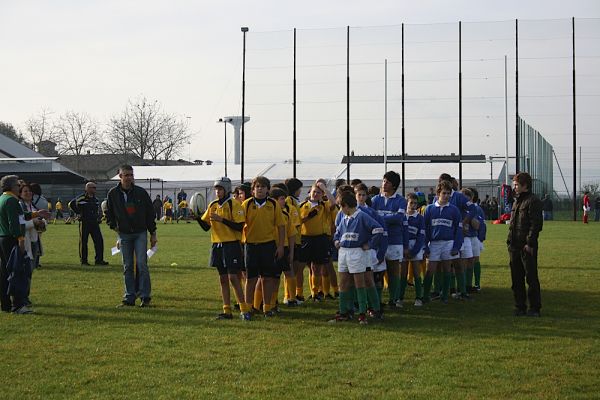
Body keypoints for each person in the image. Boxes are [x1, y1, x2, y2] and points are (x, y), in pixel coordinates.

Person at [106, 165, 157, 308]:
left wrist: (153, 234)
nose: (129, 178)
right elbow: (108, 213)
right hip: (124, 234)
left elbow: (150, 214)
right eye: (126, 175)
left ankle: (145, 297)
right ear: (120, 176)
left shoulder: (141, 193)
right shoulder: (113, 194)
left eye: (131, 175)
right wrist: (115, 228)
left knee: (142, 264)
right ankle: (129, 297)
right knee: (127, 266)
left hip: (140, 232)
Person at [329, 191, 383, 324]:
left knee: (360, 282)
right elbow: (337, 233)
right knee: (343, 283)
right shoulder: (344, 218)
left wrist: (369, 244)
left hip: (357, 253)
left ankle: (363, 313)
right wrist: (336, 241)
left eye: (341, 206)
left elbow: (378, 229)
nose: (340, 210)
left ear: (346, 205)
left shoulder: (362, 216)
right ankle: (344, 312)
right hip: (344, 252)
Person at [197, 177, 246, 320]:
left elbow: (240, 226)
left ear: (227, 190)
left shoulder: (234, 205)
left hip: (231, 244)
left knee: (233, 277)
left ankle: (244, 309)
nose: (217, 192)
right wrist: (197, 216)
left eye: (220, 189)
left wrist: (222, 220)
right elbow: (206, 227)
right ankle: (227, 310)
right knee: (223, 278)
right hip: (217, 245)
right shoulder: (212, 205)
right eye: (216, 189)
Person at [0, 175, 49, 314]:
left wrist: (35, 214)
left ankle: (5, 304)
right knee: (18, 271)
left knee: (4, 272)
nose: (19, 187)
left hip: (3, 238)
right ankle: (18, 305)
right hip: (11, 239)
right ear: (11, 186)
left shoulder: (3, 198)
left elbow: (19, 215)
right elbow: (15, 222)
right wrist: (21, 238)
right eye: (17, 185)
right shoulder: (11, 200)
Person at [240, 176, 285, 320]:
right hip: (251, 246)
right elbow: (239, 224)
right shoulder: (246, 204)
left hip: (268, 245)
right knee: (251, 278)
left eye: (263, 187)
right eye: (257, 187)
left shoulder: (273, 204)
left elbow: (281, 226)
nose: (260, 189)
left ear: (267, 189)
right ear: (253, 190)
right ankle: (247, 309)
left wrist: (280, 246)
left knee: (268, 278)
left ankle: (267, 307)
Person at [370, 171, 408, 308]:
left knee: (393, 271)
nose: (384, 184)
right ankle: (378, 301)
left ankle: (394, 299)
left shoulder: (401, 200)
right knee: (378, 271)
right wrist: (388, 219)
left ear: (394, 185)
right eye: (383, 181)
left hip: (395, 240)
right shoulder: (375, 200)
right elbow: (370, 218)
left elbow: (399, 218)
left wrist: (380, 219)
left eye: (387, 182)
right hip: (379, 241)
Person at [507, 172, 543, 317]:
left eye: (516, 184)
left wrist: (529, 243)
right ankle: (520, 306)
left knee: (531, 278)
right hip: (514, 246)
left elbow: (536, 225)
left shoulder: (533, 201)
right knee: (516, 278)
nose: (514, 187)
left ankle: (534, 308)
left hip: (526, 246)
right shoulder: (517, 201)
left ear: (525, 185)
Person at [422, 181, 463, 304]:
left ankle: (444, 296)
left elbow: (458, 230)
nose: (446, 195)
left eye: (448, 193)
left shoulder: (454, 210)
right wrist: (425, 246)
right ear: (438, 193)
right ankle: (425, 296)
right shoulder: (429, 209)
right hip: (434, 243)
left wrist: (456, 246)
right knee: (430, 270)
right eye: (444, 193)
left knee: (447, 269)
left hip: (448, 243)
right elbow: (424, 229)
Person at [69, 182, 108, 266]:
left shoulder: (96, 199)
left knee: (99, 241)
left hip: (94, 223)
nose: (94, 189)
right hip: (84, 222)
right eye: (92, 187)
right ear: (87, 189)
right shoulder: (81, 198)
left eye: (95, 188)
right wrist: (79, 213)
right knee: (83, 242)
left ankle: (99, 260)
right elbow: (71, 204)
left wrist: (98, 217)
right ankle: (84, 261)